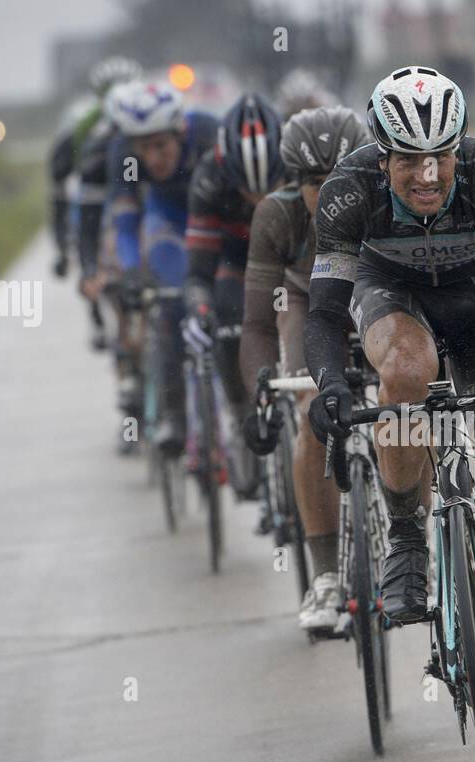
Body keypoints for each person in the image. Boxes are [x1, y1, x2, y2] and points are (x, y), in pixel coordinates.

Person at [304, 66, 475, 758]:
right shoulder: (348, 191)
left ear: (460, 146)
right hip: (391, 295)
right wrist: (332, 384)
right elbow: (325, 313)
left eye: (441, 156)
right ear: (381, 153)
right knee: (404, 371)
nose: (427, 175)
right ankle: (406, 535)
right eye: (408, 160)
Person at [239, 107, 371, 631]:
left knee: (403, 405)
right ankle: (325, 576)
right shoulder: (276, 215)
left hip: (371, 289)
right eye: (318, 184)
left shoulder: (387, 200)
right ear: (295, 184)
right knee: (313, 410)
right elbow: (255, 324)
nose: (333, 192)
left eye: (343, 178)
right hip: (302, 297)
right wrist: (259, 390)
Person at [106, 80, 221, 454]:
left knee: (225, 298)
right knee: (170, 304)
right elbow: (126, 222)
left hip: (214, 218)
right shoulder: (122, 154)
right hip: (167, 221)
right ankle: (174, 414)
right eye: (144, 149)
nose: (153, 158)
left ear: (180, 132)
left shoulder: (207, 133)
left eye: (161, 146)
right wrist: (129, 272)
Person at [181, 93, 285, 485]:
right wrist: (199, 306)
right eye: (248, 193)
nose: (259, 202)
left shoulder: (298, 165)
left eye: (269, 189)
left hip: (288, 259)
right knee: (225, 323)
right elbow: (198, 267)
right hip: (234, 262)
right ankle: (243, 410)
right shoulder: (208, 177)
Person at [49, 56, 142, 349]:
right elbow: (58, 188)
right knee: (91, 250)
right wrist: (64, 248)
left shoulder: (148, 124)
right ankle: (97, 317)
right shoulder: (84, 129)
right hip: (95, 196)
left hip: (130, 196)